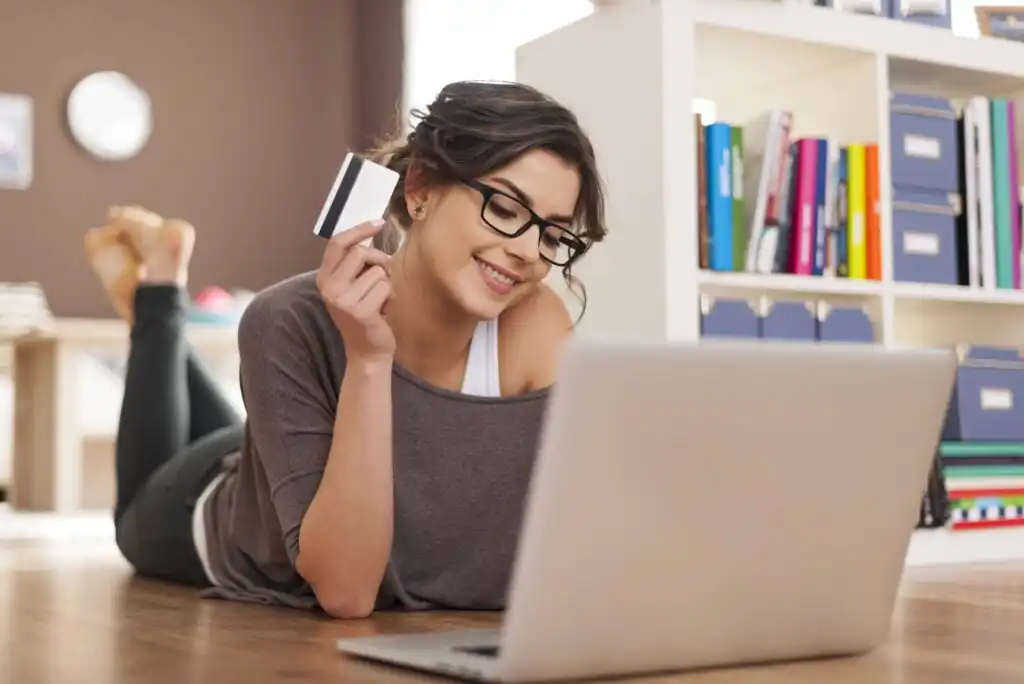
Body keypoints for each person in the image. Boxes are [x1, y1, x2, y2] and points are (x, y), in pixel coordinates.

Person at [86, 80, 608, 619]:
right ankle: (157, 295)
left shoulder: (536, 323)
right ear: (421, 188)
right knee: (131, 520)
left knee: (263, 441)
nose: (528, 251)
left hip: (278, 454)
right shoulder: (288, 319)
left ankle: (156, 295)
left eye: (553, 236)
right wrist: (368, 360)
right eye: (503, 208)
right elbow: (347, 593)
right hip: (211, 508)